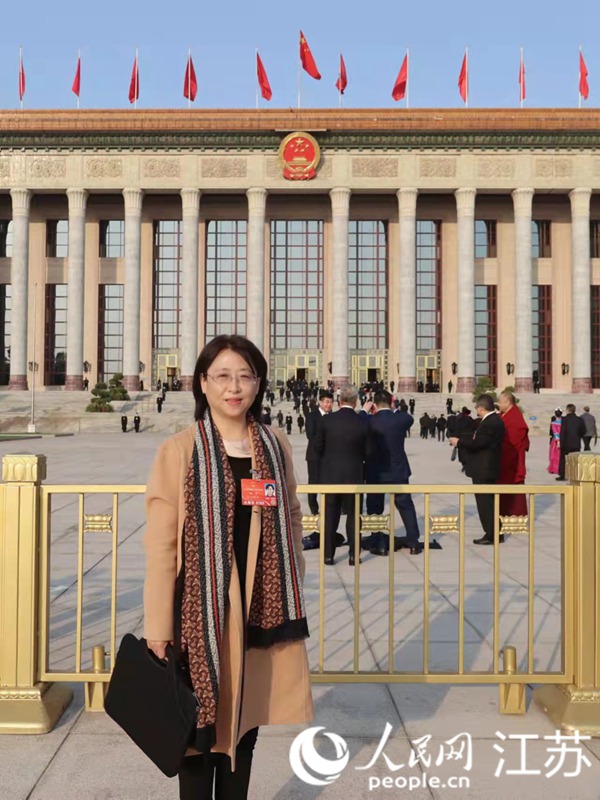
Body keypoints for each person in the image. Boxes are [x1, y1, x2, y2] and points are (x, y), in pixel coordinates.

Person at [144, 334, 313, 800]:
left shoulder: (274, 444)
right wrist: (158, 628)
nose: (233, 387)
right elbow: (161, 546)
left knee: (243, 731)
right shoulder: (180, 450)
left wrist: (290, 575)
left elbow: (291, 512)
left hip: (259, 610)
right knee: (198, 739)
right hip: (197, 614)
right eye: (222, 376)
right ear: (202, 383)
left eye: (244, 376)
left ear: (259, 383)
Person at [362, 391, 421, 555]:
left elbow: (358, 421)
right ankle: (413, 542)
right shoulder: (400, 419)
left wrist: (364, 411)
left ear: (374, 405)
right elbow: (409, 418)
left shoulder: (369, 420)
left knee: (375, 506)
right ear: (391, 402)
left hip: (375, 471)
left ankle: (377, 540)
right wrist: (394, 409)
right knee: (405, 505)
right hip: (397, 469)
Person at [315, 384, 366, 566]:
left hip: (331, 476)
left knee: (330, 515)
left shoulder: (327, 420)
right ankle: (353, 555)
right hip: (354, 475)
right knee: (353, 515)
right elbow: (369, 450)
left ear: (339, 401)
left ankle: (328, 555)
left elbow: (317, 446)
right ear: (356, 401)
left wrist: (329, 460)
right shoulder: (362, 422)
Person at [449, 394, 506, 545]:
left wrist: (459, 442)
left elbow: (480, 443)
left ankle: (491, 534)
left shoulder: (490, 422)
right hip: (488, 466)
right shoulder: (494, 420)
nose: (476, 411)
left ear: (481, 408)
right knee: (490, 502)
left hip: (484, 468)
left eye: (477, 408)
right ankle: (496, 532)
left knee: (485, 502)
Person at [496, 392, 529, 517]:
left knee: (513, 490)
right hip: (502, 459)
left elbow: (512, 442)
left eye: (500, 401)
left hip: (512, 460)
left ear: (508, 402)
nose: (498, 404)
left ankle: (515, 516)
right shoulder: (503, 415)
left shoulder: (515, 417)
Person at [304, 391, 333, 515]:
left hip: (329, 457)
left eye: (331, 402)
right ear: (320, 402)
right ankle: (314, 510)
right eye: (326, 402)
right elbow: (310, 435)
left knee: (329, 483)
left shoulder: (333, 417)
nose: (329, 405)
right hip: (315, 455)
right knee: (313, 482)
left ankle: (329, 508)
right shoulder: (312, 416)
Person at [557, 404, 586, 481]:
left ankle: (563, 475)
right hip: (576, 443)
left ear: (567, 410)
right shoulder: (580, 420)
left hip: (566, 443)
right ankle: (575, 475)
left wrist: (561, 442)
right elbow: (584, 431)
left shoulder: (564, 419)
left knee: (563, 459)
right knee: (575, 460)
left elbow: (562, 432)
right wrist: (578, 436)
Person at [548, 409, 562, 475]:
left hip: (556, 441)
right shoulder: (564, 422)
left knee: (554, 454)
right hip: (562, 439)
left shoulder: (554, 423)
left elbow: (555, 432)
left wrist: (558, 441)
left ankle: (554, 468)